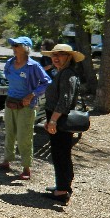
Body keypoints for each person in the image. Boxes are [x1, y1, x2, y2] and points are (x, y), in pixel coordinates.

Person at [0, 36, 51, 179]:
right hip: (10, 103)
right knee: (9, 133)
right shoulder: (9, 63)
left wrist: (32, 95)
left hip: (26, 106)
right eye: (13, 45)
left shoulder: (34, 66)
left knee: (24, 136)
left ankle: (26, 169)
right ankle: (6, 162)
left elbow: (47, 82)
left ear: (25, 48)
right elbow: (8, 78)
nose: (14, 48)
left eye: (17, 45)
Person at [40, 44, 85, 205]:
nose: (56, 58)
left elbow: (64, 101)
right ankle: (62, 186)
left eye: (61, 55)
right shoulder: (63, 73)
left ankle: (62, 191)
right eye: (54, 55)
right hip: (56, 119)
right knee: (60, 153)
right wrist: (49, 119)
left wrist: (53, 120)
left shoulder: (67, 74)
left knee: (61, 154)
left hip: (59, 120)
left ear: (69, 57)